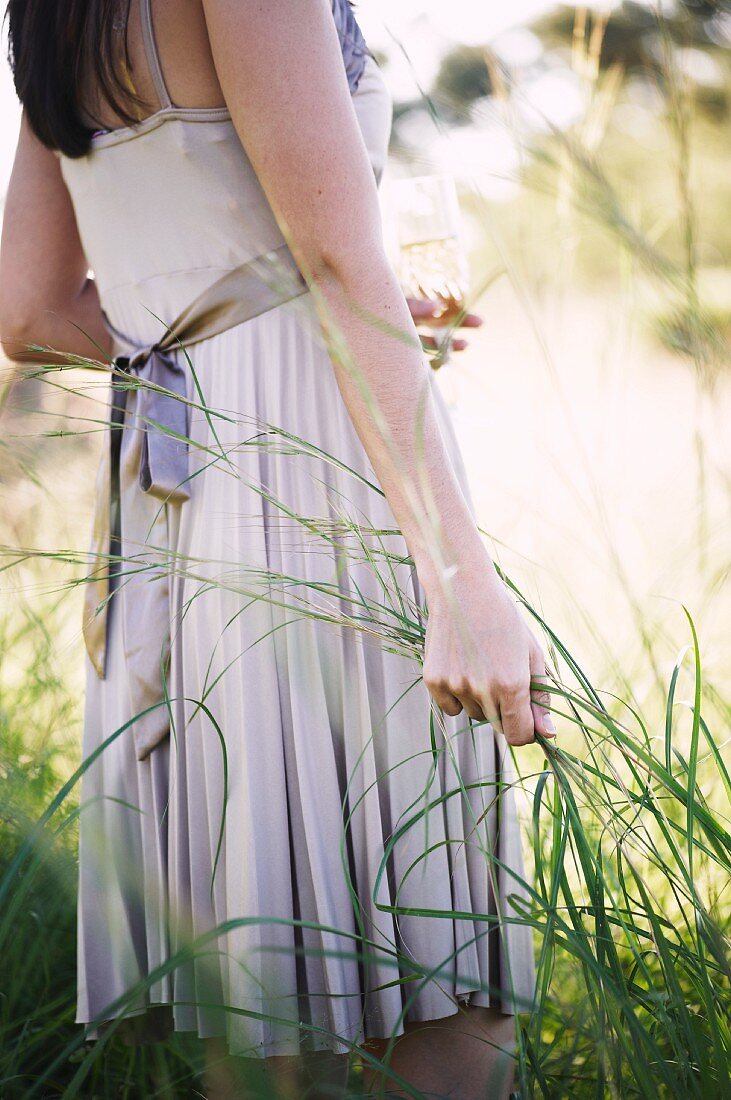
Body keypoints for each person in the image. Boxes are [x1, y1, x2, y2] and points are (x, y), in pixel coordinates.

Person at [0, 1, 555, 1097]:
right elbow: (338, 262)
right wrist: (459, 584)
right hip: (314, 480)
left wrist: (211, 335)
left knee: (260, 997)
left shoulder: (48, 12)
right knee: (442, 975)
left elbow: (25, 308)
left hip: (174, 502)